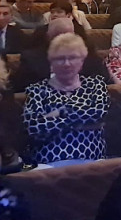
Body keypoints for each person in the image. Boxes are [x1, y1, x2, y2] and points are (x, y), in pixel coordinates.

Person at [23, 33, 110, 165]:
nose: (67, 64)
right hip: (48, 165)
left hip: (92, 162)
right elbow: (34, 128)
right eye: (60, 59)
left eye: (73, 57)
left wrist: (59, 113)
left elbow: (99, 113)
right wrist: (83, 122)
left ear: (82, 61)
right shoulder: (37, 90)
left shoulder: (95, 85)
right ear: (51, 62)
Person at [13, 17, 111, 92]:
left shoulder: (89, 56)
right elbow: (20, 88)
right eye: (58, 36)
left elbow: (104, 81)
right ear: (48, 37)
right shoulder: (31, 59)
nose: (63, 41)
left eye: (67, 36)